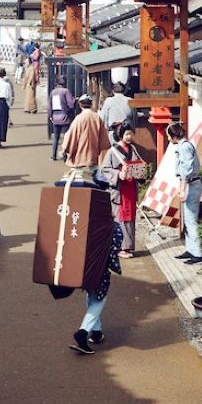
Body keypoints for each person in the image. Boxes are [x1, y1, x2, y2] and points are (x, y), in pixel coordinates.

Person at [70, 224, 123, 355]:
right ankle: (82, 332)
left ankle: (97, 332)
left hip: (83, 268)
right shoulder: (112, 227)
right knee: (99, 300)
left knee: (92, 296)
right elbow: (113, 250)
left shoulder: (83, 221)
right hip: (99, 270)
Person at [99, 125, 140, 258]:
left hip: (130, 187)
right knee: (120, 218)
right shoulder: (112, 151)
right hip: (119, 189)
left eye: (130, 134)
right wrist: (117, 173)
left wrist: (140, 171)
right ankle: (119, 247)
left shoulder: (132, 148)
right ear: (120, 135)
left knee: (130, 217)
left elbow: (139, 164)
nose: (129, 137)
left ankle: (128, 246)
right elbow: (105, 169)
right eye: (127, 134)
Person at [167, 121, 202, 265]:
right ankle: (191, 249)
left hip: (191, 184)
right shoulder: (183, 146)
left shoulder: (185, 147)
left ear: (173, 135)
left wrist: (182, 189)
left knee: (191, 219)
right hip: (189, 184)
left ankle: (198, 254)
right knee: (188, 219)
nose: (168, 138)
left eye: (168, 135)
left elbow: (186, 170)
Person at [61, 94, 111, 170]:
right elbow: (104, 139)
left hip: (79, 156)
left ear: (80, 105)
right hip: (93, 155)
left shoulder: (79, 118)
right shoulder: (96, 117)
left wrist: (65, 148)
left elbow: (70, 136)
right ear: (91, 104)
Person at [48, 77, 76, 161]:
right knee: (66, 137)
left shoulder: (53, 92)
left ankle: (53, 155)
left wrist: (50, 116)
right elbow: (70, 104)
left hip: (55, 117)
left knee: (56, 138)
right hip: (65, 117)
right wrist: (75, 100)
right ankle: (65, 155)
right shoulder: (66, 91)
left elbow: (49, 105)